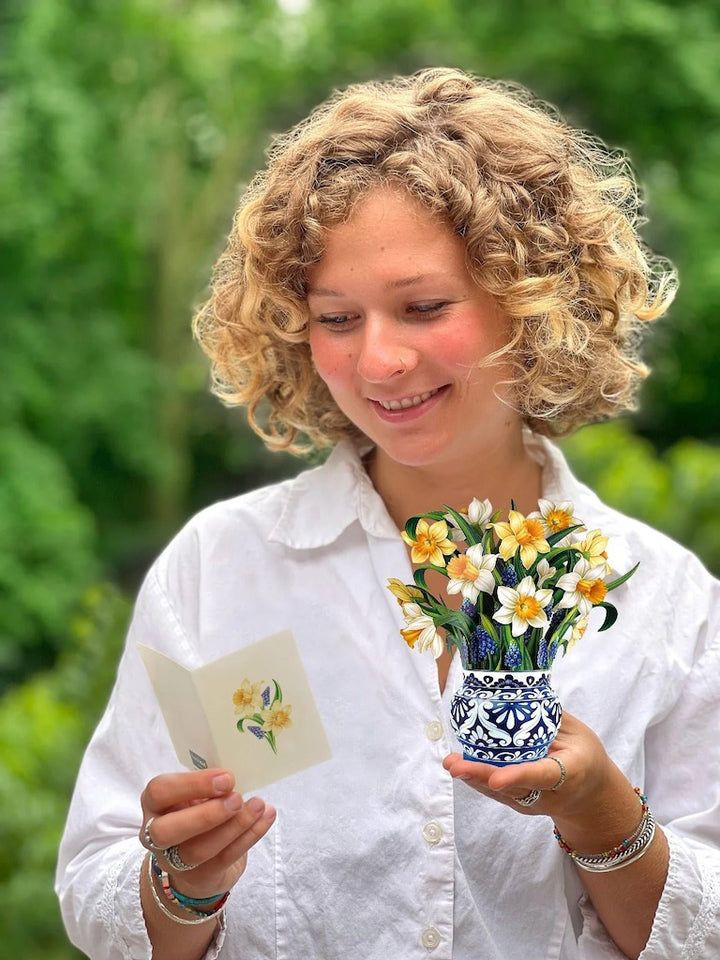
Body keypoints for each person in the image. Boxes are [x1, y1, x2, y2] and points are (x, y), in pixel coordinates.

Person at [56, 67, 720, 960]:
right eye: (336, 318)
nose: (379, 361)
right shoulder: (220, 569)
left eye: (423, 307)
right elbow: (97, 895)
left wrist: (604, 817)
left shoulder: (668, 603)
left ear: (531, 301)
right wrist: (181, 882)